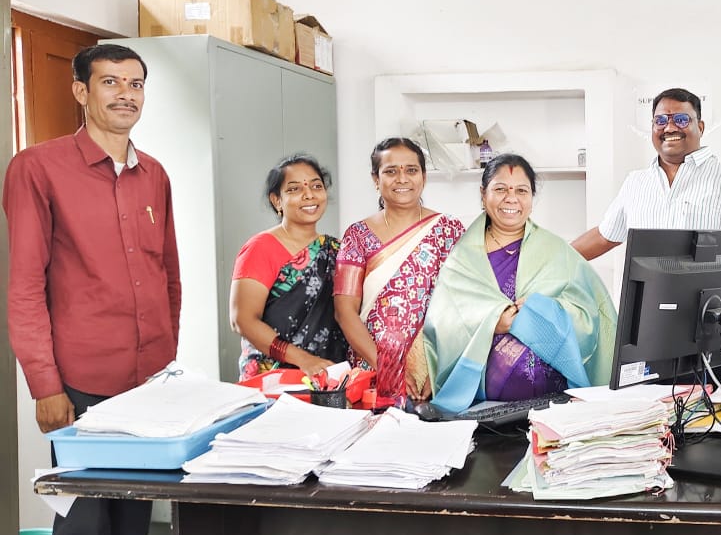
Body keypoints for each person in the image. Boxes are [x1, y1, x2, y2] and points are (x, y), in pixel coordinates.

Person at [5, 43, 179, 535]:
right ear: (81, 91)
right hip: (80, 384)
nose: (126, 94)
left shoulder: (155, 174)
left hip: (148, 384)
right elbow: (25, 286)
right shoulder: (37, 168)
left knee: (132, 525)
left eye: (135, 84)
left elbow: (168, 276)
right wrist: (45, 386)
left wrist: (166, 365)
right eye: (110, 82)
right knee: (84, 526)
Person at [425, 154, 616, 412]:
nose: (511, 198)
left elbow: (592, 316)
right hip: (484, 404)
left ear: (531, 199)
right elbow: (443, 323)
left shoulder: (557, 251)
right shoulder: (462, 258)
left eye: (521, 190)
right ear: (483, 194)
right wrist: (490, 322)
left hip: (555, 402)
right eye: (500, 189)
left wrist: (547, 311)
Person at [334, 138, 466, 410]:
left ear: (424, 177)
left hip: (433, 371)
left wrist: (441, 367)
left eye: (411, 170)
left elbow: (463, 306)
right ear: (376, 179)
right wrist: (387, 368)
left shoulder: (448, 230)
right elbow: (344, 312)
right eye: (391, 171)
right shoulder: (357, 235)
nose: (402, 178)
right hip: (372, 370)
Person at [571, 87, 721, 260]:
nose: (669, 128)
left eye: (681, 119)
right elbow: (604, 236)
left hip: (709, 285)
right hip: (644, 284)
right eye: (661, 121)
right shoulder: (635, 182)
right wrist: (556, 260)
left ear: (700, 127)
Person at [230, 154, 348, 380]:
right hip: (273, 378)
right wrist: (303, 359)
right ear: (277, 200)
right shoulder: (260, 248)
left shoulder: (336, 250)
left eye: (316, 186)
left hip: (327, 377)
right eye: (294, 189)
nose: (309, 194)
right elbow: (242, 320)